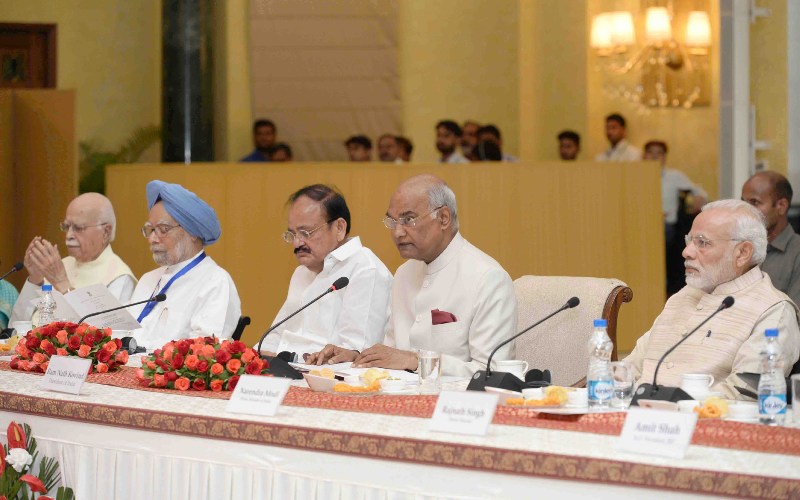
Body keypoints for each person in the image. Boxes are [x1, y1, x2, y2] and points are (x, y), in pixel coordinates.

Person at [307, 174, 517, 377]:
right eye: (392, 221)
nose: (398, 232)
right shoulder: (404, 274)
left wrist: (416, 361)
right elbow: (392, 354)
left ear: (443, 218)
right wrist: (356, 357)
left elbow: (493, 373)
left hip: (455, 406)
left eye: (408, 219)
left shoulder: (488, 277)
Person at [625, 200, 800, 400]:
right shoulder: (683, 296)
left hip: (703, 423)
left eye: (702, 242)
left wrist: (669, 404)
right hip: (637, 418)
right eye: (689, 240)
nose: (686, 252)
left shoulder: (773, 310)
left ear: (742, 253)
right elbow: (632, 367)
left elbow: (744, 395)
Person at [261, 185, 392, 359]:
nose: (297, 243)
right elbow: (274, 336)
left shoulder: (365, 269)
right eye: (292, 234)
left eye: (306, 232)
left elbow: (355, 353)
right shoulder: (302, 272)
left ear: (339, 228)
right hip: (288, 371)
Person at [128, 181, 241, 350]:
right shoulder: (148, 279)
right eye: (150, 230)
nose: (152, 238)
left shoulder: (215, 281)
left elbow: (201, 353)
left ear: (193, 232)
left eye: (163, 229)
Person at [10, 193, 137, 323]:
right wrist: (35, 279)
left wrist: (62, 283)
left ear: (106, 231)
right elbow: (15, 326)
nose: (69, 235)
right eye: (66, 227)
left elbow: (106, 335)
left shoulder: (120, 277)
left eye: (78, 228)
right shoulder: (58, 266)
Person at [742, 171, 800, 306]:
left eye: (754, 202)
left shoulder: (796, 252)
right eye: (743, 202)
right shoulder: (740, 247)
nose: (745, 210)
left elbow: (794, 317)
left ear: (781, 206)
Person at [644, 141, 707, 243]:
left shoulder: (674, 176)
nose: (654, 156)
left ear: (664, 157)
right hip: (643, 222)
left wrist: (699, 198)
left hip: (666, 223)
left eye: (659, 153)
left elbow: (699, 191)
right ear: (644, 155)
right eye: (650, 152)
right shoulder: (636, 178)